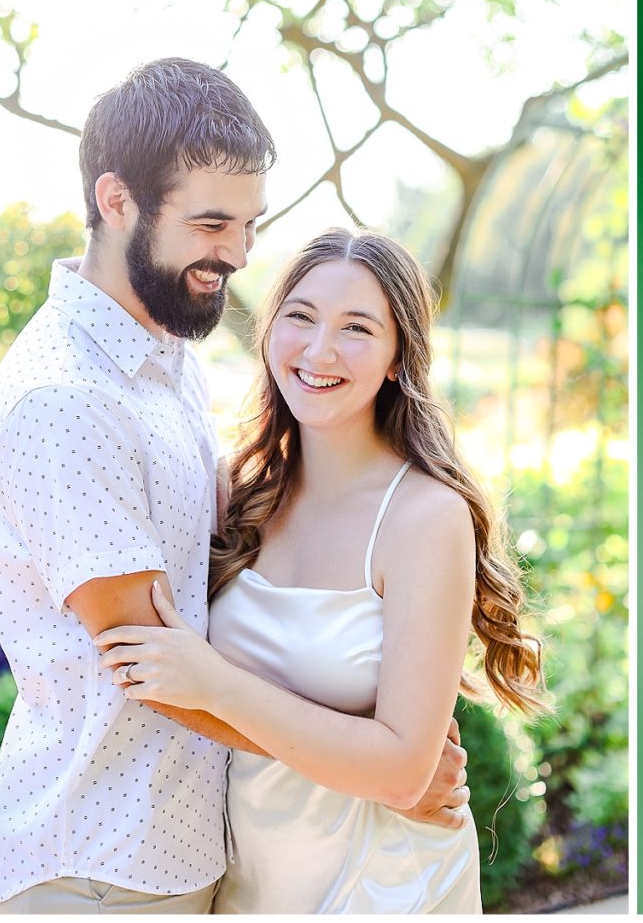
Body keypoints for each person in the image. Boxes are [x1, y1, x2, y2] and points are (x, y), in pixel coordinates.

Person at [0, 59, 468, 914]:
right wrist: (384, 770)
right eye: (212, 224)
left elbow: (212, 650)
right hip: (104, 856)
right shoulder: (65, 399)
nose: (237, 254)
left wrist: (397, 752)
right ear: (117, 199)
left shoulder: (169, 367)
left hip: (205, 853)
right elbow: (158, 669)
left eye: (248, 225)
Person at [95, 227, 549, 913]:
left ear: (399, 358)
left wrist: (213, 682)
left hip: (383, 881)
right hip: (250, 872)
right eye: (300, 317)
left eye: (357, 328)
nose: (319, 350)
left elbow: (402, 771)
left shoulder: (425, 518)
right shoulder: (233, 494)